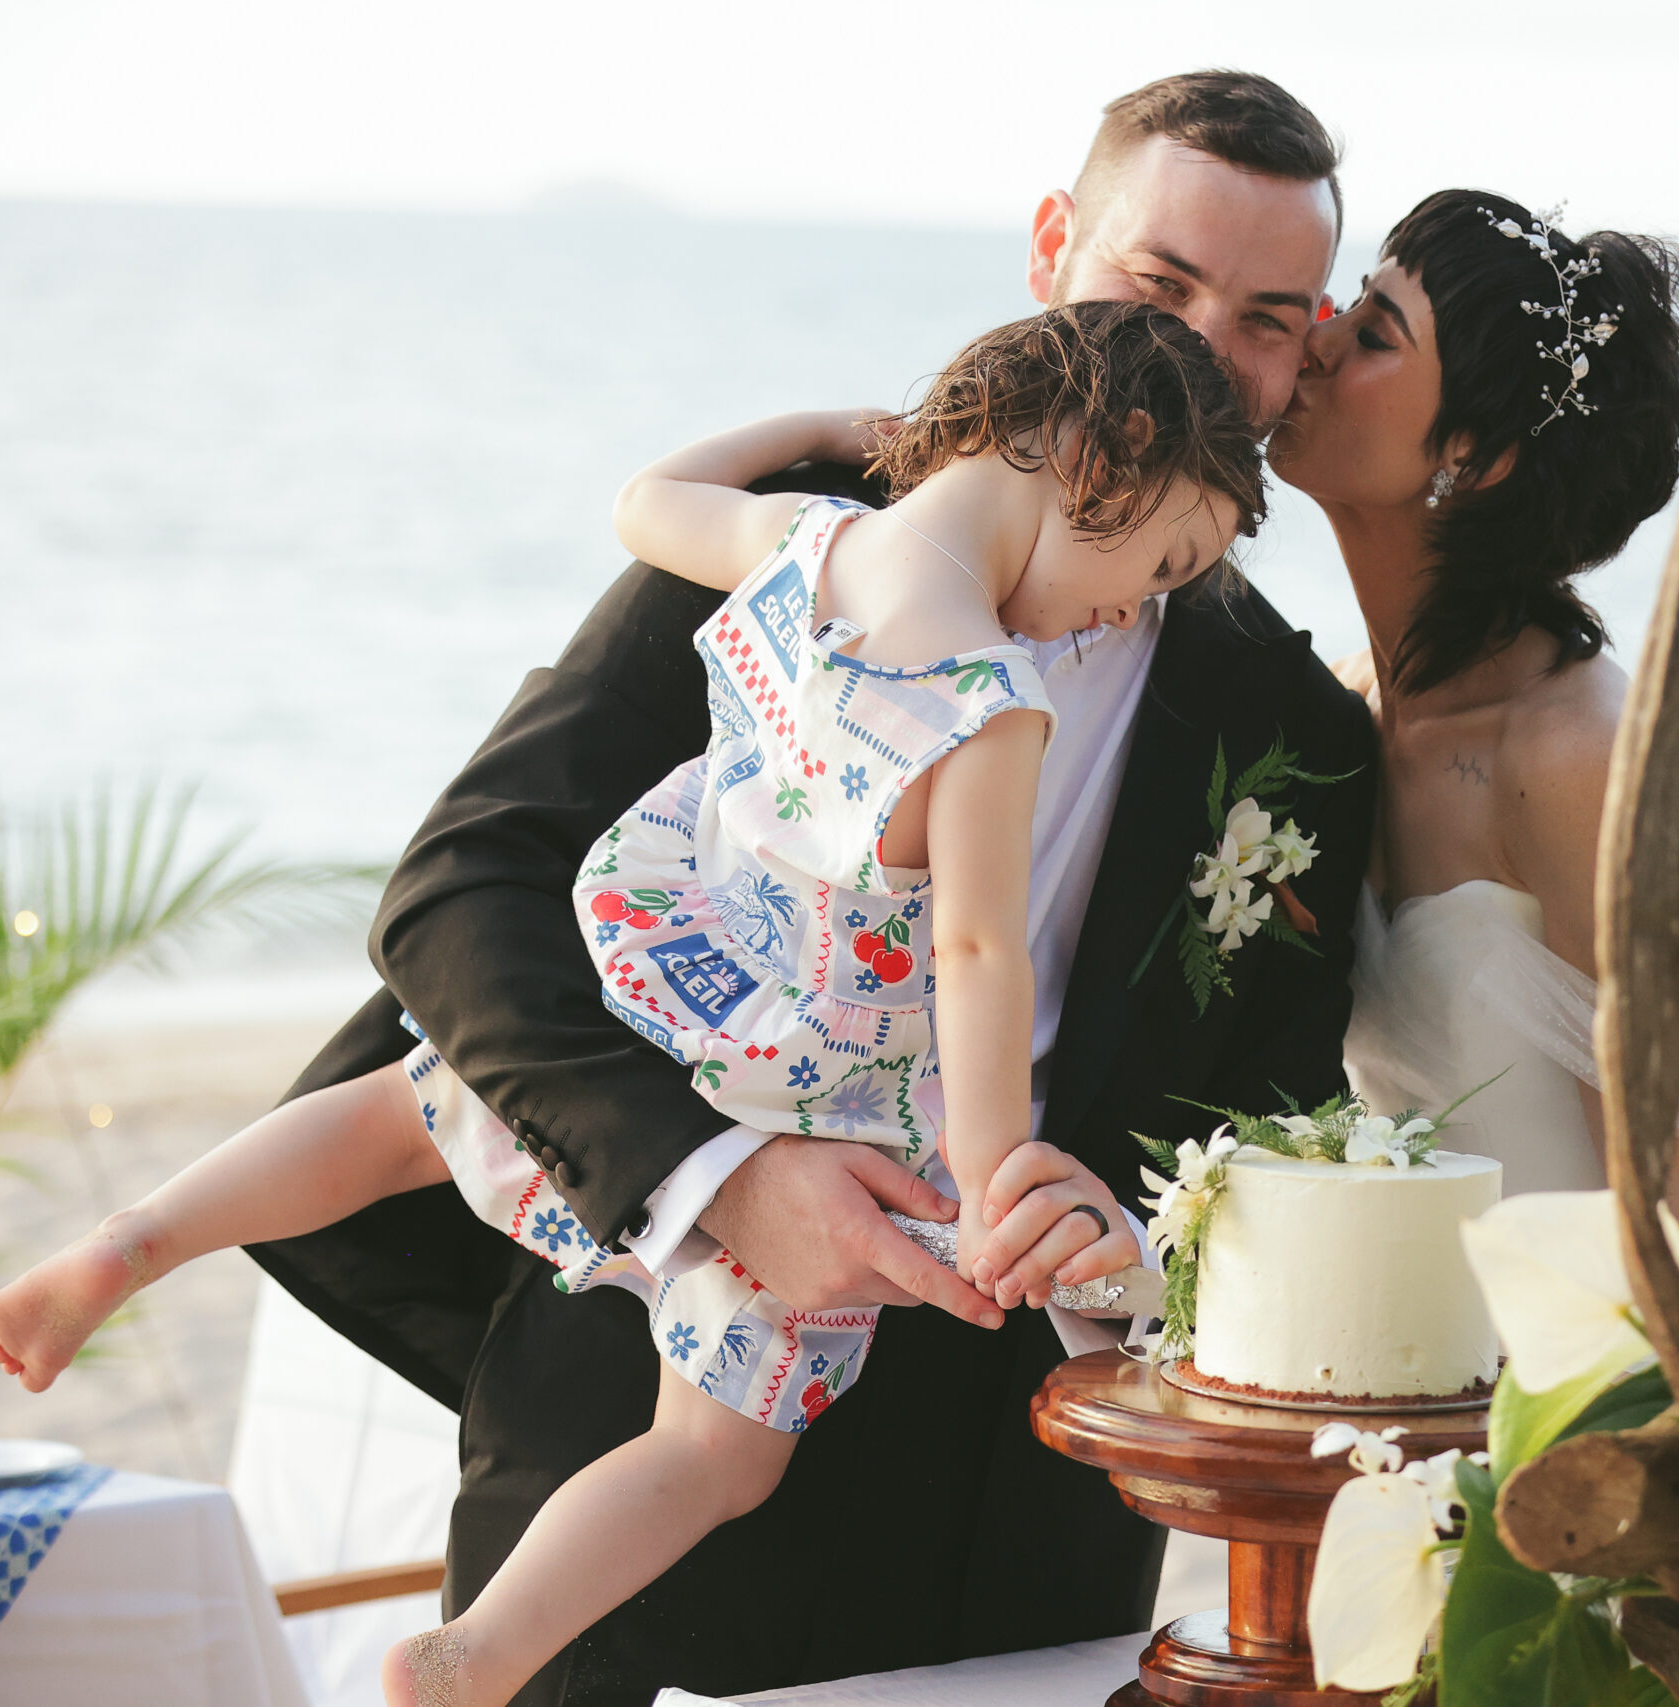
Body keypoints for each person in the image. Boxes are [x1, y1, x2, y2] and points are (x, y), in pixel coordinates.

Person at [243, 71, 1370, 1705]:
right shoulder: (838, 553)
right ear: (1055, 248)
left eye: (1266, 317)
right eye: (1159, 282)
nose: (1205, 347)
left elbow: (1276, 1134)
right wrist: (718, 1178)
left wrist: (1137, 1259)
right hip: (646, 1468)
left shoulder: (1298, 734)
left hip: (1021, 1538)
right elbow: (459, 897)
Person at [0, 303, 1257, 1705]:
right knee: (715, 1451)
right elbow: (973, 954)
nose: (1135, 607)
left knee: (409, 1111)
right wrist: (991, 1166)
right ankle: (477, 1651)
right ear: (1106, 451)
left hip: (675, 969)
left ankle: (129, 1238)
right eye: (1163, 562)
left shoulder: (805, 543)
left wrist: (817, 435)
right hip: (812, 1070)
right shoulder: (991, 693)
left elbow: (644, 500)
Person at [1277, 192, 1679, 1230]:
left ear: (1478, 456)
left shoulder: (1576, 755)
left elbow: (1666, 1196)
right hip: (1391, 1334)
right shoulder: (1345, 705)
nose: (1313, 343)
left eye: (1371, 334)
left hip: (1561, 1355)